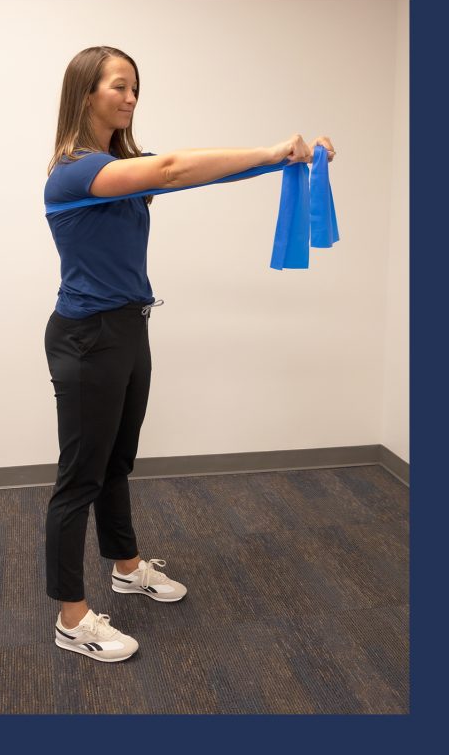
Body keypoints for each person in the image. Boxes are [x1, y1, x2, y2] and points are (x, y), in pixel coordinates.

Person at [42, 45, 334, 662]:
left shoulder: (121, 165)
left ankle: (125, 567)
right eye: (119, 87)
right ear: (85, 94)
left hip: (127, 328)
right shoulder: (74, 172)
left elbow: (203, 172)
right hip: (87, 337)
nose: (130, 98)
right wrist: (269, 149)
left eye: (135, 89)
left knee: (118, 462)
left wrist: (287, 160)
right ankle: (71, 618)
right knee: (79, 480)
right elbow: (173, 169)